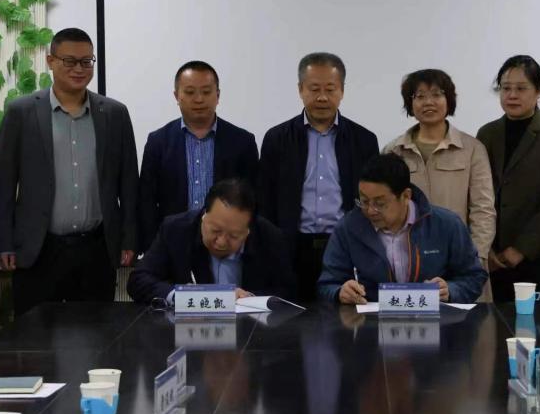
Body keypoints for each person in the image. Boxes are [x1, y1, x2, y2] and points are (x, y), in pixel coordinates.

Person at [0, 27, 139, 316]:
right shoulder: (21, 112)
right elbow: (4, 184)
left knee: (96, 332)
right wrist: (5, 243)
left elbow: (128, 183)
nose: (79, 69)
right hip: (38, 248)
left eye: (86, 61)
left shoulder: (115, 114)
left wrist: (129, 239)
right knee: (35, 335)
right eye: (69, 61)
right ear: (50, 61)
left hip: (96, 248)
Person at [258, 52, 379, 303]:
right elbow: (265, 200)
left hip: (344, 247)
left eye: (330, 89)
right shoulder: (277, 139)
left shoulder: (364, 140)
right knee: (290, 316)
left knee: (344, 317)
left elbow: (372, 200)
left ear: (342, 91)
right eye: (314, 89)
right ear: (300, 89)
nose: (322, 97)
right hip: (292, 248)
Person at [317, 153, 487, 305]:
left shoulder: (446, 224)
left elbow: (474, 277)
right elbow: (328, 283)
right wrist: (340, 292)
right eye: (364, 201)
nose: (370, 210)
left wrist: (451, 290)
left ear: (406, 196)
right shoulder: (349, 227)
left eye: (379, 203)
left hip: (436, 322)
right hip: (371, 324)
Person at [383, 69, 496, 295]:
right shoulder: (393, 151)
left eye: (436, 94)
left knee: (465, 317)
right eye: (420, 96)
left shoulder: (472, 149)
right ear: (410, 103)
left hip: (460, 259)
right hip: (408, 261)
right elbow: (384, 208)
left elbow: (483, 209)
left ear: (449, 100)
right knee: (411, 317)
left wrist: (475, 256)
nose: (428, 102)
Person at [476, 56, 540, 302]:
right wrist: (486, 248)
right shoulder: (487, 134)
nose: (512, 95)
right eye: (505, 88)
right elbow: (477, 194)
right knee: (493, 324)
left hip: (539, 256)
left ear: (538, 91)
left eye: (521, 88)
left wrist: (521, 249)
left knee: (537, 324)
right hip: (494, 258)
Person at [138, 61, 258, 253]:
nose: (199, 99)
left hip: (227, 244)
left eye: (206, 92)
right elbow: (147, 202)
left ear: (218, 95)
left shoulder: (242, 142)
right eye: (190, 92)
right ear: (177, 96)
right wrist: (153, 248)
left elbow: (252, 200)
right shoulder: (158, 142)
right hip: (172, 244)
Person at [127, 178, 295, 304]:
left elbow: (288, 291)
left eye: (234, 236)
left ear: (248, 231)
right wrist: (184, 295)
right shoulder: (176, 230)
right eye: (215, 231)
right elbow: (138, 280)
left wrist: (248, 298)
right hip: (189, 332)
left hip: (250, 332)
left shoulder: (270, 237)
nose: (221, 242)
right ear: (204, 216)